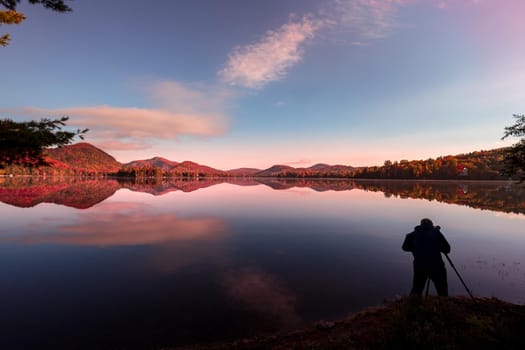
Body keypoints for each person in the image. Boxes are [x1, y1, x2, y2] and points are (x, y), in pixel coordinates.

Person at [402, 218, 451, 296]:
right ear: (431, 225)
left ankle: (413, 304)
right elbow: (447, 249)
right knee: (442, 289)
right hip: (437, 266)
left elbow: (405, 248)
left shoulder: (411, 235)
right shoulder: (436, 234)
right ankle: (443, 303)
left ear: (420, 225)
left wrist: (416, 249)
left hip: (419, 266)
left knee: (417, 288)